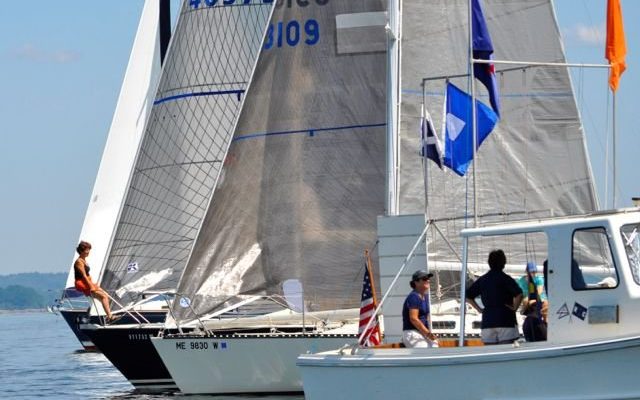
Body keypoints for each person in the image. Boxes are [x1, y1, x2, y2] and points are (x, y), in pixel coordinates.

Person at [466, 249, 523, 345]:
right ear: (503, 263)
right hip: (505, 318)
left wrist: (479, 309)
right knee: (506, 351)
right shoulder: (506, 278)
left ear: (489, 263)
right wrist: (514, 308)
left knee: (490, 351)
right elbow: (519, 295)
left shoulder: (483, 280)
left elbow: (468, 296)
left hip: (488, 319)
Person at [74, 241, 117, 322]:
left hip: (88, 282)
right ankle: (109, 317)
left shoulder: (84, 260)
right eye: (87, 250)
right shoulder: (79, 262)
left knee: (106, 296)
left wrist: (93, 284)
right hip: (83, 284)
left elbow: (87, 275)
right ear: (82, 251)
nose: (88, 252)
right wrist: (91, 287)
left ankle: (93, 313)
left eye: (89, 250)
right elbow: (83, 276)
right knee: (103, 297)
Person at [401, 270, 439, 348]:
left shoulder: (425, 297)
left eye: (428, 278)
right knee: (425, 349)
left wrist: (429, 334)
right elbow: (413, 319)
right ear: (416, 282)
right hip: (411, 332)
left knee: (435, 346)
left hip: (422, 332)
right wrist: (428, 334)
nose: (428, 280)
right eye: (425, 278)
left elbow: (426, 318)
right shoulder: (414, 297)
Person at [518, 262, 548, 341]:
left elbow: (539, 291)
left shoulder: (539, 279)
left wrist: (528, 299)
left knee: (544, 304)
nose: (533, 274)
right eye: (531, 272)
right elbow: (519, 294)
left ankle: (545, 322)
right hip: (527, 303)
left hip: (538, 299)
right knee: (526, 301)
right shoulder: (520, 281)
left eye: (534, 272)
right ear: (526, 271)